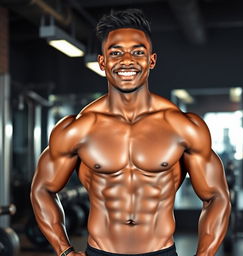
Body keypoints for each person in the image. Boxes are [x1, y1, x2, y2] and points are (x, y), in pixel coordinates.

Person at [30, 9, 231, 256]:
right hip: (100, 252)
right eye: (116, 53)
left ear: (152, 60)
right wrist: (64, 251)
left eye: (138, 52)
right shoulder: (77, 129)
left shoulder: (182, 126)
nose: (127, 60)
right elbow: (42, 189)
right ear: (103, 62)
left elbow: (216, 197)